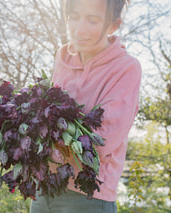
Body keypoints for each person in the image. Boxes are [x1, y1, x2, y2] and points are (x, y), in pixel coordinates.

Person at [30, 0, 141, 212]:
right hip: (45, 188)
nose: (79, 29)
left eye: (92, 20)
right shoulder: (63, 56)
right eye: (73, 17)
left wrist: (44, 147)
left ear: (113, 25)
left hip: (88, 195)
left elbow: (102, 138)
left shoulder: (126, 67)